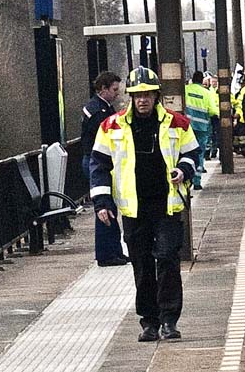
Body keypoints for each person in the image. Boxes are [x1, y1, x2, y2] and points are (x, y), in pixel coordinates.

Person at [90, 66, 200, 342]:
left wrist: (184, 170)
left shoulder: (178, 123)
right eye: (137, 95)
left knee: (166, 259)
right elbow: (98, 165)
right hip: (133, 209)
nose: (142, 100)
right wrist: (102, 203)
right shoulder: (110, 126)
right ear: (130, 97)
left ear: (156, 96)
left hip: (166, 205)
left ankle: (169, 320)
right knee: (141, 264)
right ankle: (148, 322)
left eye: (148, 95)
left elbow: (192, 153)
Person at [80, 71, 126, 267]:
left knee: (108, 206)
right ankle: (107, 254)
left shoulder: (97, 106)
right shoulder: (101, 112)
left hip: (91, 160)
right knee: (104, 207)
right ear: (103, 89)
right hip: (97, 161)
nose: (117, 94)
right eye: (114, 90)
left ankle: (114, 250)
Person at [184, 70, 217, 190]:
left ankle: (188, 179)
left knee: (187, 152)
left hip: (187, 127)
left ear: (192, 79)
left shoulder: (186, 89)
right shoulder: (206, 93)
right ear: (202, 80)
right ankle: (197, 181)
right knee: (199, 153)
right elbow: (213, 111)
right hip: (202, 128)